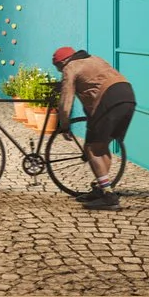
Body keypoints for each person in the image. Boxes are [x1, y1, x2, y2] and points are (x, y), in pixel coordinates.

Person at [46, 46, 137, 208]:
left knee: (92, 148)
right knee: (102, 145)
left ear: (63, 62)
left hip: (110, 99)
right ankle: (101, 189)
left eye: (58, 67)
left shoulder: (70, 67)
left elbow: (66, 99)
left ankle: (109, 197)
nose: (60, 71)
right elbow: (94, 88)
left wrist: (64, 124)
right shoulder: (95, 59)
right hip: (127, 96)